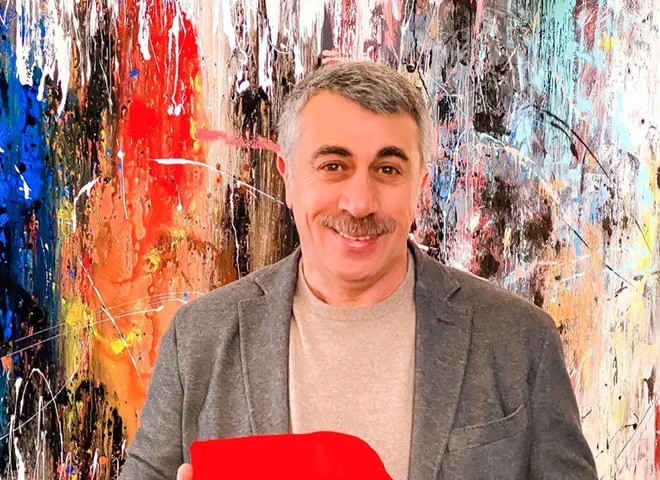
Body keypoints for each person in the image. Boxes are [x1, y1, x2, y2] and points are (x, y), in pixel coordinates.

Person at [119, 61, 597, 480]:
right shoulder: (199, 338)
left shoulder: (519, 340)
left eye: (388, 169)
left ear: (420, 187)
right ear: (288, 177)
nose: (360, 203)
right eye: (333, 166)